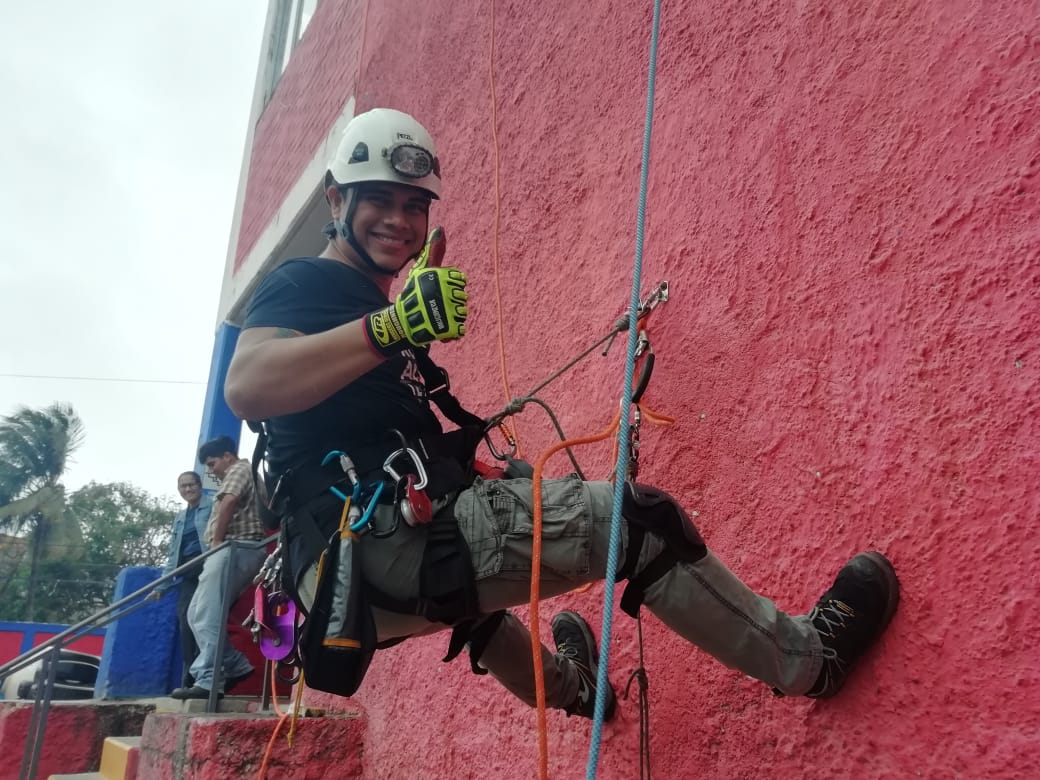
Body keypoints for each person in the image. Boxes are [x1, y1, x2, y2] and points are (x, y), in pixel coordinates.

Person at [223, 108, 899, 720]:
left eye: (414, 204)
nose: (398, 220)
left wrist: (466, 460)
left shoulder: (367, 305)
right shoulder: (305, 283)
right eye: (378, 200)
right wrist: (390, 326)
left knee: (476, 601)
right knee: (638, 524)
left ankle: (581, 693)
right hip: (367, 550)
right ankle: (811, 662)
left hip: (358, 564)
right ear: (337, 199)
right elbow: (247, 387)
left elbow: (369, 430)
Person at [170, 436, 266, 700]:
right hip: (232, 550)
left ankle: (209, 679)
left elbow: (229, 500)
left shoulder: (239, 469)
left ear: (227, 456)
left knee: (207, 615)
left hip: (234, 548)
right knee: (194, 615)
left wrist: (216, 541)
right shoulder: (240, 472)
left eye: (212, 463)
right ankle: (235, 665)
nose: (211, 470)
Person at [159, 470, 213, 689]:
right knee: (185, 620)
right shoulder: (180, 518)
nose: (188, 489)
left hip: (206, 566)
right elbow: (173, 553)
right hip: (187, 573)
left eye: (191, 485)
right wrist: (163, 585)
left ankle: (203, 676)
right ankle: (191, 673)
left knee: (202, 620)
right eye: (183, 486)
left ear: (200, 486)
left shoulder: (212, 506)